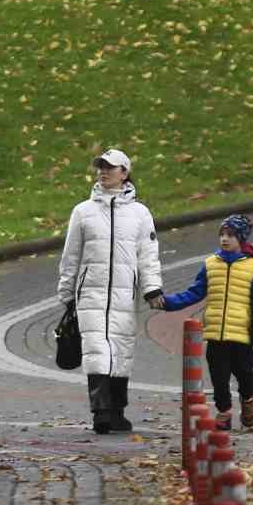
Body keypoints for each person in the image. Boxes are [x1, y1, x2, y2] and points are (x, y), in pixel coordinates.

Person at [56, 149, 163, 433]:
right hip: (90, 293)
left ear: (124, 173)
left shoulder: (140, 214)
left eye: (110, 167)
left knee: (121, 350)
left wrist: (152, 288)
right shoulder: (83, 212)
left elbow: (148, 255)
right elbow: (71, 255)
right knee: (97, 349)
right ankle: (101, 412)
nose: (103, 172)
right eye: (100, 167)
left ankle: (117, 410)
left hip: (124, 294)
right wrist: (66, 292)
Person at [161, 214, 253, 430]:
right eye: (222, 234)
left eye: (230, 235)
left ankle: (248, 401)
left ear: (241, 239)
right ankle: (224, 411)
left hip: (241, 334)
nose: (224, 239)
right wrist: (167, 303)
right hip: (215, 334)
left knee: (246, 375)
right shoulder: (211, 264)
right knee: (219, 377)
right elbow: (194, 292)